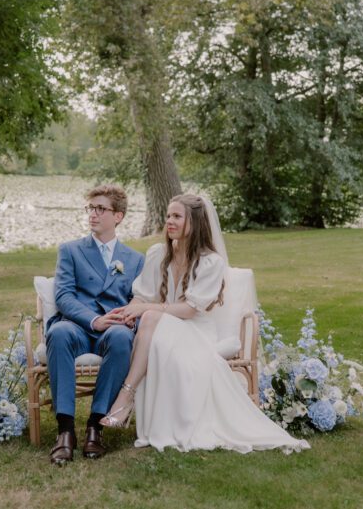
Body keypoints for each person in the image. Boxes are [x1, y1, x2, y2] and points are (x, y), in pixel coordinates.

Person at [101, 193, 309, 453]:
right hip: (160, 331)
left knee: (151, 317)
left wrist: (146, 309)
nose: (169, 222)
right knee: (148, 319)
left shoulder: (211, 262)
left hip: (196, 333)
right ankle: (127, 401)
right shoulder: (157, 253)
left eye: (177, 216)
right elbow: (143, 294)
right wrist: (129, 311)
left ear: (195, 222)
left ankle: (126, 397)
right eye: (168, 216)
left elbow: (189, 311)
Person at [45, 185, 144, 464]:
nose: (93, 214)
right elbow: (63, 295)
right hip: (78, 324)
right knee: (59, 332)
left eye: (101, 209)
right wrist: (93, 320)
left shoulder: (135, 260)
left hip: (112, 328)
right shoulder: (70, 250)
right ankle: (65, 431)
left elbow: (138, 299)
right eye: (91, 208)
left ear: (119, 216)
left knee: (123, 338)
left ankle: (95, 427)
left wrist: (125, 315)